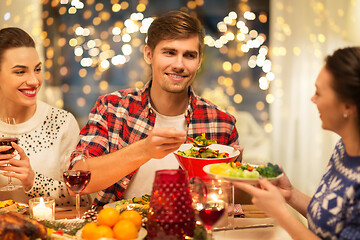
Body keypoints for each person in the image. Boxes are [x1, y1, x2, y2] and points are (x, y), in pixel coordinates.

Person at [73, 10, 242, 206]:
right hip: (121, 231)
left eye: (189, 55)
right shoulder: (113, 108)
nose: (179, 64)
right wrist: (144, 150)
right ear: (149, 54)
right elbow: (77, 179)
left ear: (199, 62)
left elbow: (232, 204)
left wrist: (235, 178)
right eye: (169, 52)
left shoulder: (221, 123)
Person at [234, 47, 360, 239]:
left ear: (348, 106)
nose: (313, 99)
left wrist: (280, 213)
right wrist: (290, 194)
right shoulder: (343, 149)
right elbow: (330, 220)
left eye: (319, 92)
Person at [0, 27, 90, 206]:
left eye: (37, 69)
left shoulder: (61, 122)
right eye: (20, 72)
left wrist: (33, 181)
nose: (34, 81)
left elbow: (83, 199)